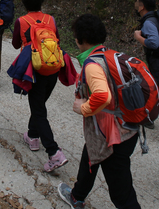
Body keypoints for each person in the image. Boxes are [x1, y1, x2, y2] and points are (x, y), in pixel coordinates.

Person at [58, 14, 141, 209]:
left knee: (122, 194)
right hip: (124, 127)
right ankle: (77, 196)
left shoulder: (93, 65)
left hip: (113, 137)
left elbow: (103, 96)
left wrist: (84, 108)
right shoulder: (108, 54)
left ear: (81, 39)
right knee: (90, 154)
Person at [12, 0, 68, 172]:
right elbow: (57, 39)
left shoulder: (22, 21)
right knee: (39, 105)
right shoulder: (50, 19)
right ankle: (32, 136)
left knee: (39, 111)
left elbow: (15, 44)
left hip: (33, 70)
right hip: (52, 69)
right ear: (42, 1)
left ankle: (54, 153)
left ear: (23, 2)